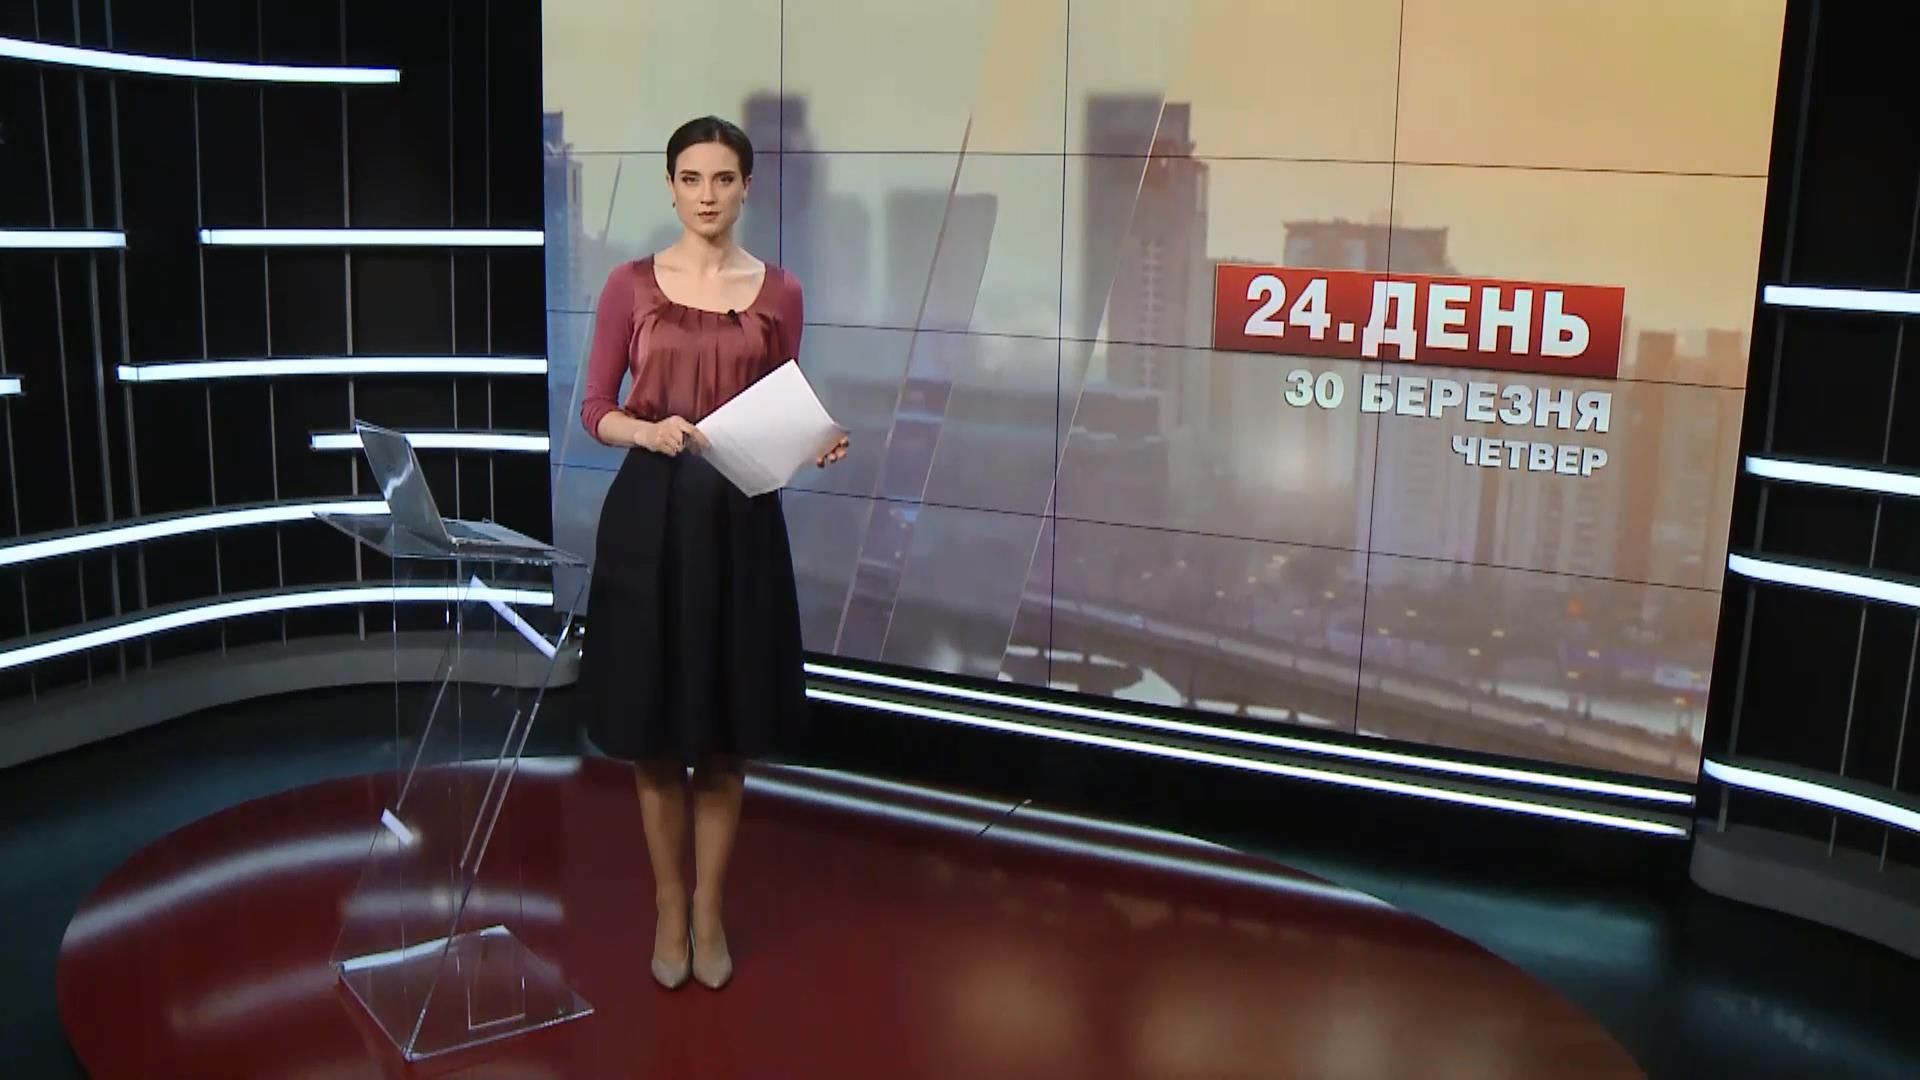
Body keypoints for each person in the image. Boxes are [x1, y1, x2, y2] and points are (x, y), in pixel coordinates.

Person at [575, 115, 848, 992]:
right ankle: (667, 904)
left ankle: (708, 910)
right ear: (669, 187)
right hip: (648, 518)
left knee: (727, 732)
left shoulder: (781, 292)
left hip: (740, 522)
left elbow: (779, 409)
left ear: (746, 188)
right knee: (655, 731)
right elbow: (594, 408)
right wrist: (649, 431)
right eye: (691, 178)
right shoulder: (627, 286)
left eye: (723, 179)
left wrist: (816, 440)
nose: (706, 195)